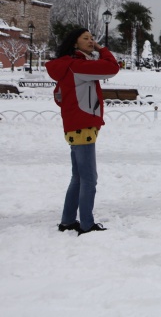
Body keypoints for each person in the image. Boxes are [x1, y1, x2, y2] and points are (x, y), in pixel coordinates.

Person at [45, 28, 120, 235]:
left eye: (92, 38)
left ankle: (68, 220)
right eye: (86, 38)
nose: (91, 41)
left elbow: (59, 96)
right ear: (74, 43)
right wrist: (101, 48)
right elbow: (112, 68)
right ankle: (86, 224)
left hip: (73, 125)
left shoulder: (65, 65)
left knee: (78, 177)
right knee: (89, 178)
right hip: (83, 125)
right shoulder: (78, 65)